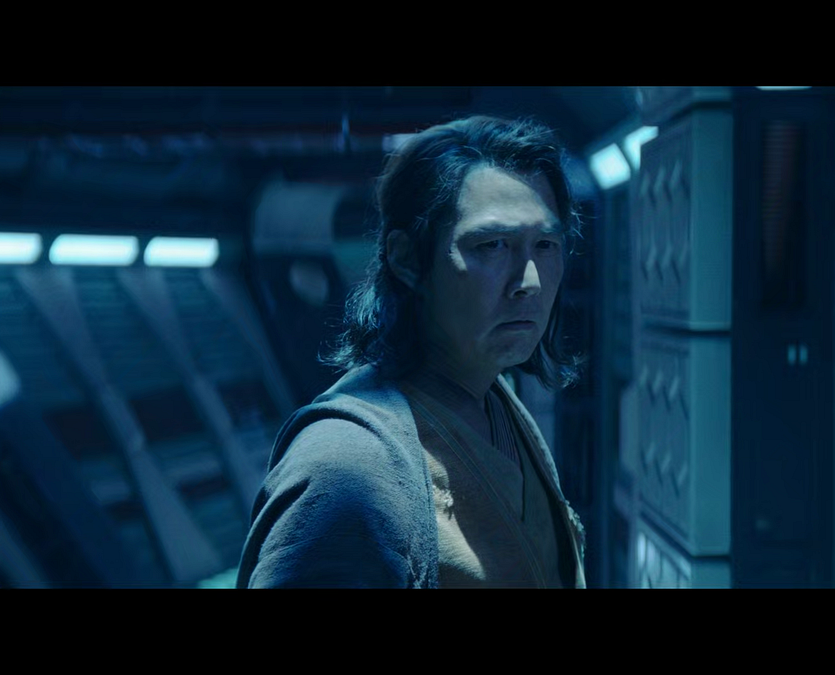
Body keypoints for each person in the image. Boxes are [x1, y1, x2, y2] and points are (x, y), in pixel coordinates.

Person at [236, 116, 587, 588]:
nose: (530, 281)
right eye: (492, 245)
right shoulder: (347, 468)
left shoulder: (495, 399)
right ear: (406, 258)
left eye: (545, 244)